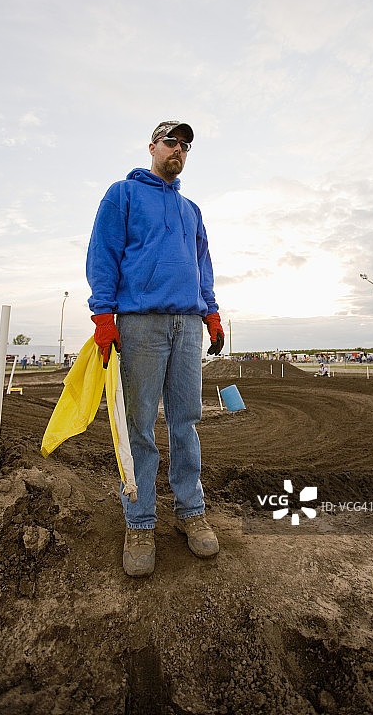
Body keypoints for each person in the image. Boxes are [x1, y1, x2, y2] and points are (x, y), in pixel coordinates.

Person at [86, 120, 224, 577]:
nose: (178, 151)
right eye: (171, 142)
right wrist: (103, 314)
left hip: (187, 326)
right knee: (140, 425)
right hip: (140, 323)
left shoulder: (191, 210)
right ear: (152, 147)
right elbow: (103, 253)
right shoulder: (122, 195)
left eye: (184, 146)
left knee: (186, 421)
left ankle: (191, 511)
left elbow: (202, 264)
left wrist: (211, 311)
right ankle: (140, 520)